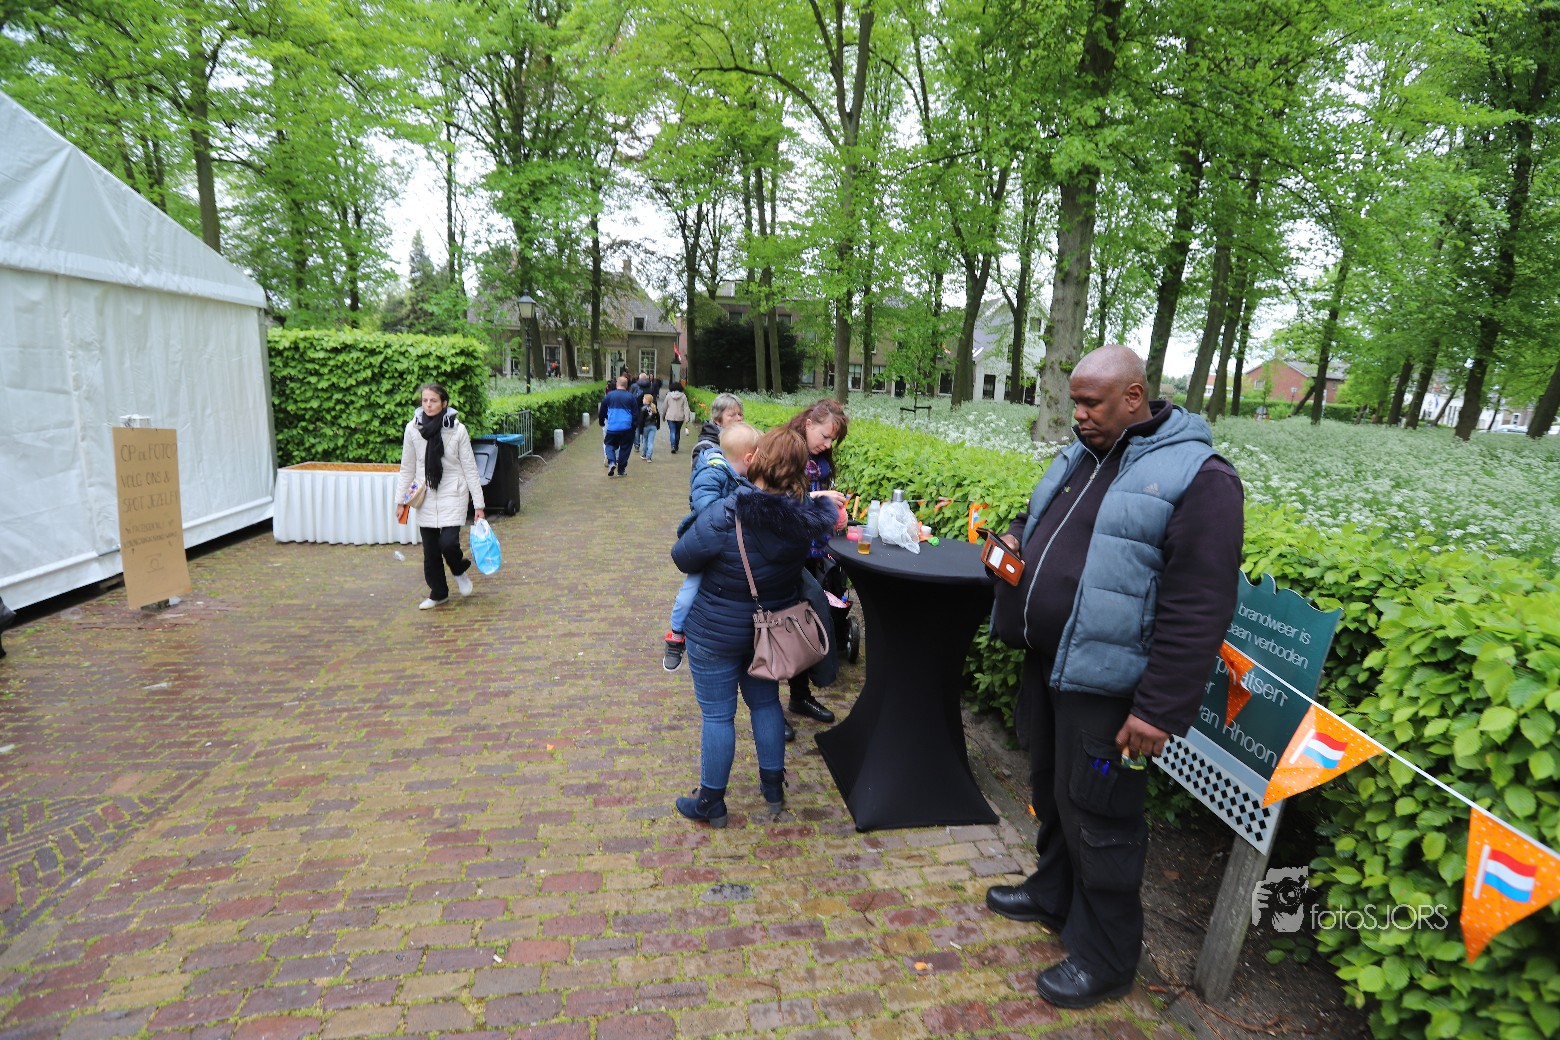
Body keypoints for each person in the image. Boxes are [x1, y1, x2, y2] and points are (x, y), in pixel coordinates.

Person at [983, 345, 1244, 1010]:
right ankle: (1053, 893)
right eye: (1074, 401)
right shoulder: (1082, 453)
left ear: (1133, 397)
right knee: (1052, 789)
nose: (1078, 414)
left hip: (1110, 688)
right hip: (1052, 665)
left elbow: (1200, 605)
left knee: (1101, 815)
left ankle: (1107, 957)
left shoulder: (1201, 477)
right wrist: (1014, 536)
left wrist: (1158, 709)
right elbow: (1043, 519)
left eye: (1090, 403)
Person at [669, 426, 846, 827]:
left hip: (715, 631)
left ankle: (711, 802)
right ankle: (773, 788)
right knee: (766, 704)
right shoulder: (803, 522)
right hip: (768, 632)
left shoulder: (726, 511)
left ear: (757, 462)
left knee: (718, 716)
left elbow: (682, 556)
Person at [662, 420, 762, 670]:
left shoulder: (742, 476)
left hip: (727, 546)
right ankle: (676, 635)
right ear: (749, 458)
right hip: (706, 545)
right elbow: (707, 510)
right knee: (689, 592)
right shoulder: (711, 472)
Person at [781, 399, 850, 726]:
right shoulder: (785, 451)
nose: (828, 444)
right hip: (786, 551)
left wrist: (834, 515)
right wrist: (818, 498)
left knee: (803, 624)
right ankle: (768, 707)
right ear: (808, 424)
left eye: (832, 440)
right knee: (778, 626)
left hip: (812, 550)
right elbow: (772, 499)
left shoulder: (819, 459)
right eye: (825, 436)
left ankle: (800, 695)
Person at [396, 382, 487, 610]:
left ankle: (458, 570)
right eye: (425, 400)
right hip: (424, 494)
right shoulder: (412, 429)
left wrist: (479, 505)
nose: (428, 405)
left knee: (448, 543)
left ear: (444, 403)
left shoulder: (457, 430)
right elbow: (407, 468)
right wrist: (400, 502)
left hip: (452, 492)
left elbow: (470, 468)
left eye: (433, 400)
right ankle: (438, 593)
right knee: (430, 551)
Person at [598, 374, 640, 477]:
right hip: (627, 428)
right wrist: (633, 426)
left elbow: (602, 411)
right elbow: (635, 414)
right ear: (627, 385)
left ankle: (612, 461)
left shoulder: (609, 396)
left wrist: (602, 422)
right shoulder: (631, 397)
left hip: (613, 427)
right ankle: (621, 470)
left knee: (609, 444)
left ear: (617, 384)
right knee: (625, 449)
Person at [690, 393, 743, 468]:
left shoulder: (742, 442)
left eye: (740, 414)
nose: (739, 418)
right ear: (717, 419)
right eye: (732, 415)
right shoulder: (704, 449)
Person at [663, 381, 692, 454]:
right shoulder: (683, 396)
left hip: (670, 416)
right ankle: (676, 446)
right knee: (677, 431)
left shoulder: (668, 395)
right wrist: (687, 418)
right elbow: (686, 408)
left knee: (672, 431)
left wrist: (663, 415)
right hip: (680, 417)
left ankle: (672, 446)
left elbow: (664, 406)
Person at [638, 393, 661, 462]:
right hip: (653, 426)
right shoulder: (654, 407)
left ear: (646, 400)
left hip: (646, 427)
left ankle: (644, 455)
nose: (642, 400)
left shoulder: (643, 409)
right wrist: (658, 425)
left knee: (645, 440)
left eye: (643, 399)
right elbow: (658, 417)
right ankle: (649, 457)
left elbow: (641, 420)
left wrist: (640, 429)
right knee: (650, 442)